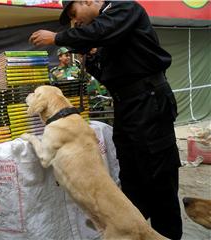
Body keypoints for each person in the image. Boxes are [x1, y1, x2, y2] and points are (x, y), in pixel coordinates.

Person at [29, 1, 182, 239]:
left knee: (159, 179)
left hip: (149, 103)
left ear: (87, 1)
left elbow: (99, 30)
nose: (75, 21)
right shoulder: (108, 36)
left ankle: (167, 234)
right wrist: (89, 58)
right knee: (131, 180)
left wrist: (57, 38)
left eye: (74, 13)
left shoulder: (124, 10)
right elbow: (107, 74)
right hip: (125, 107)